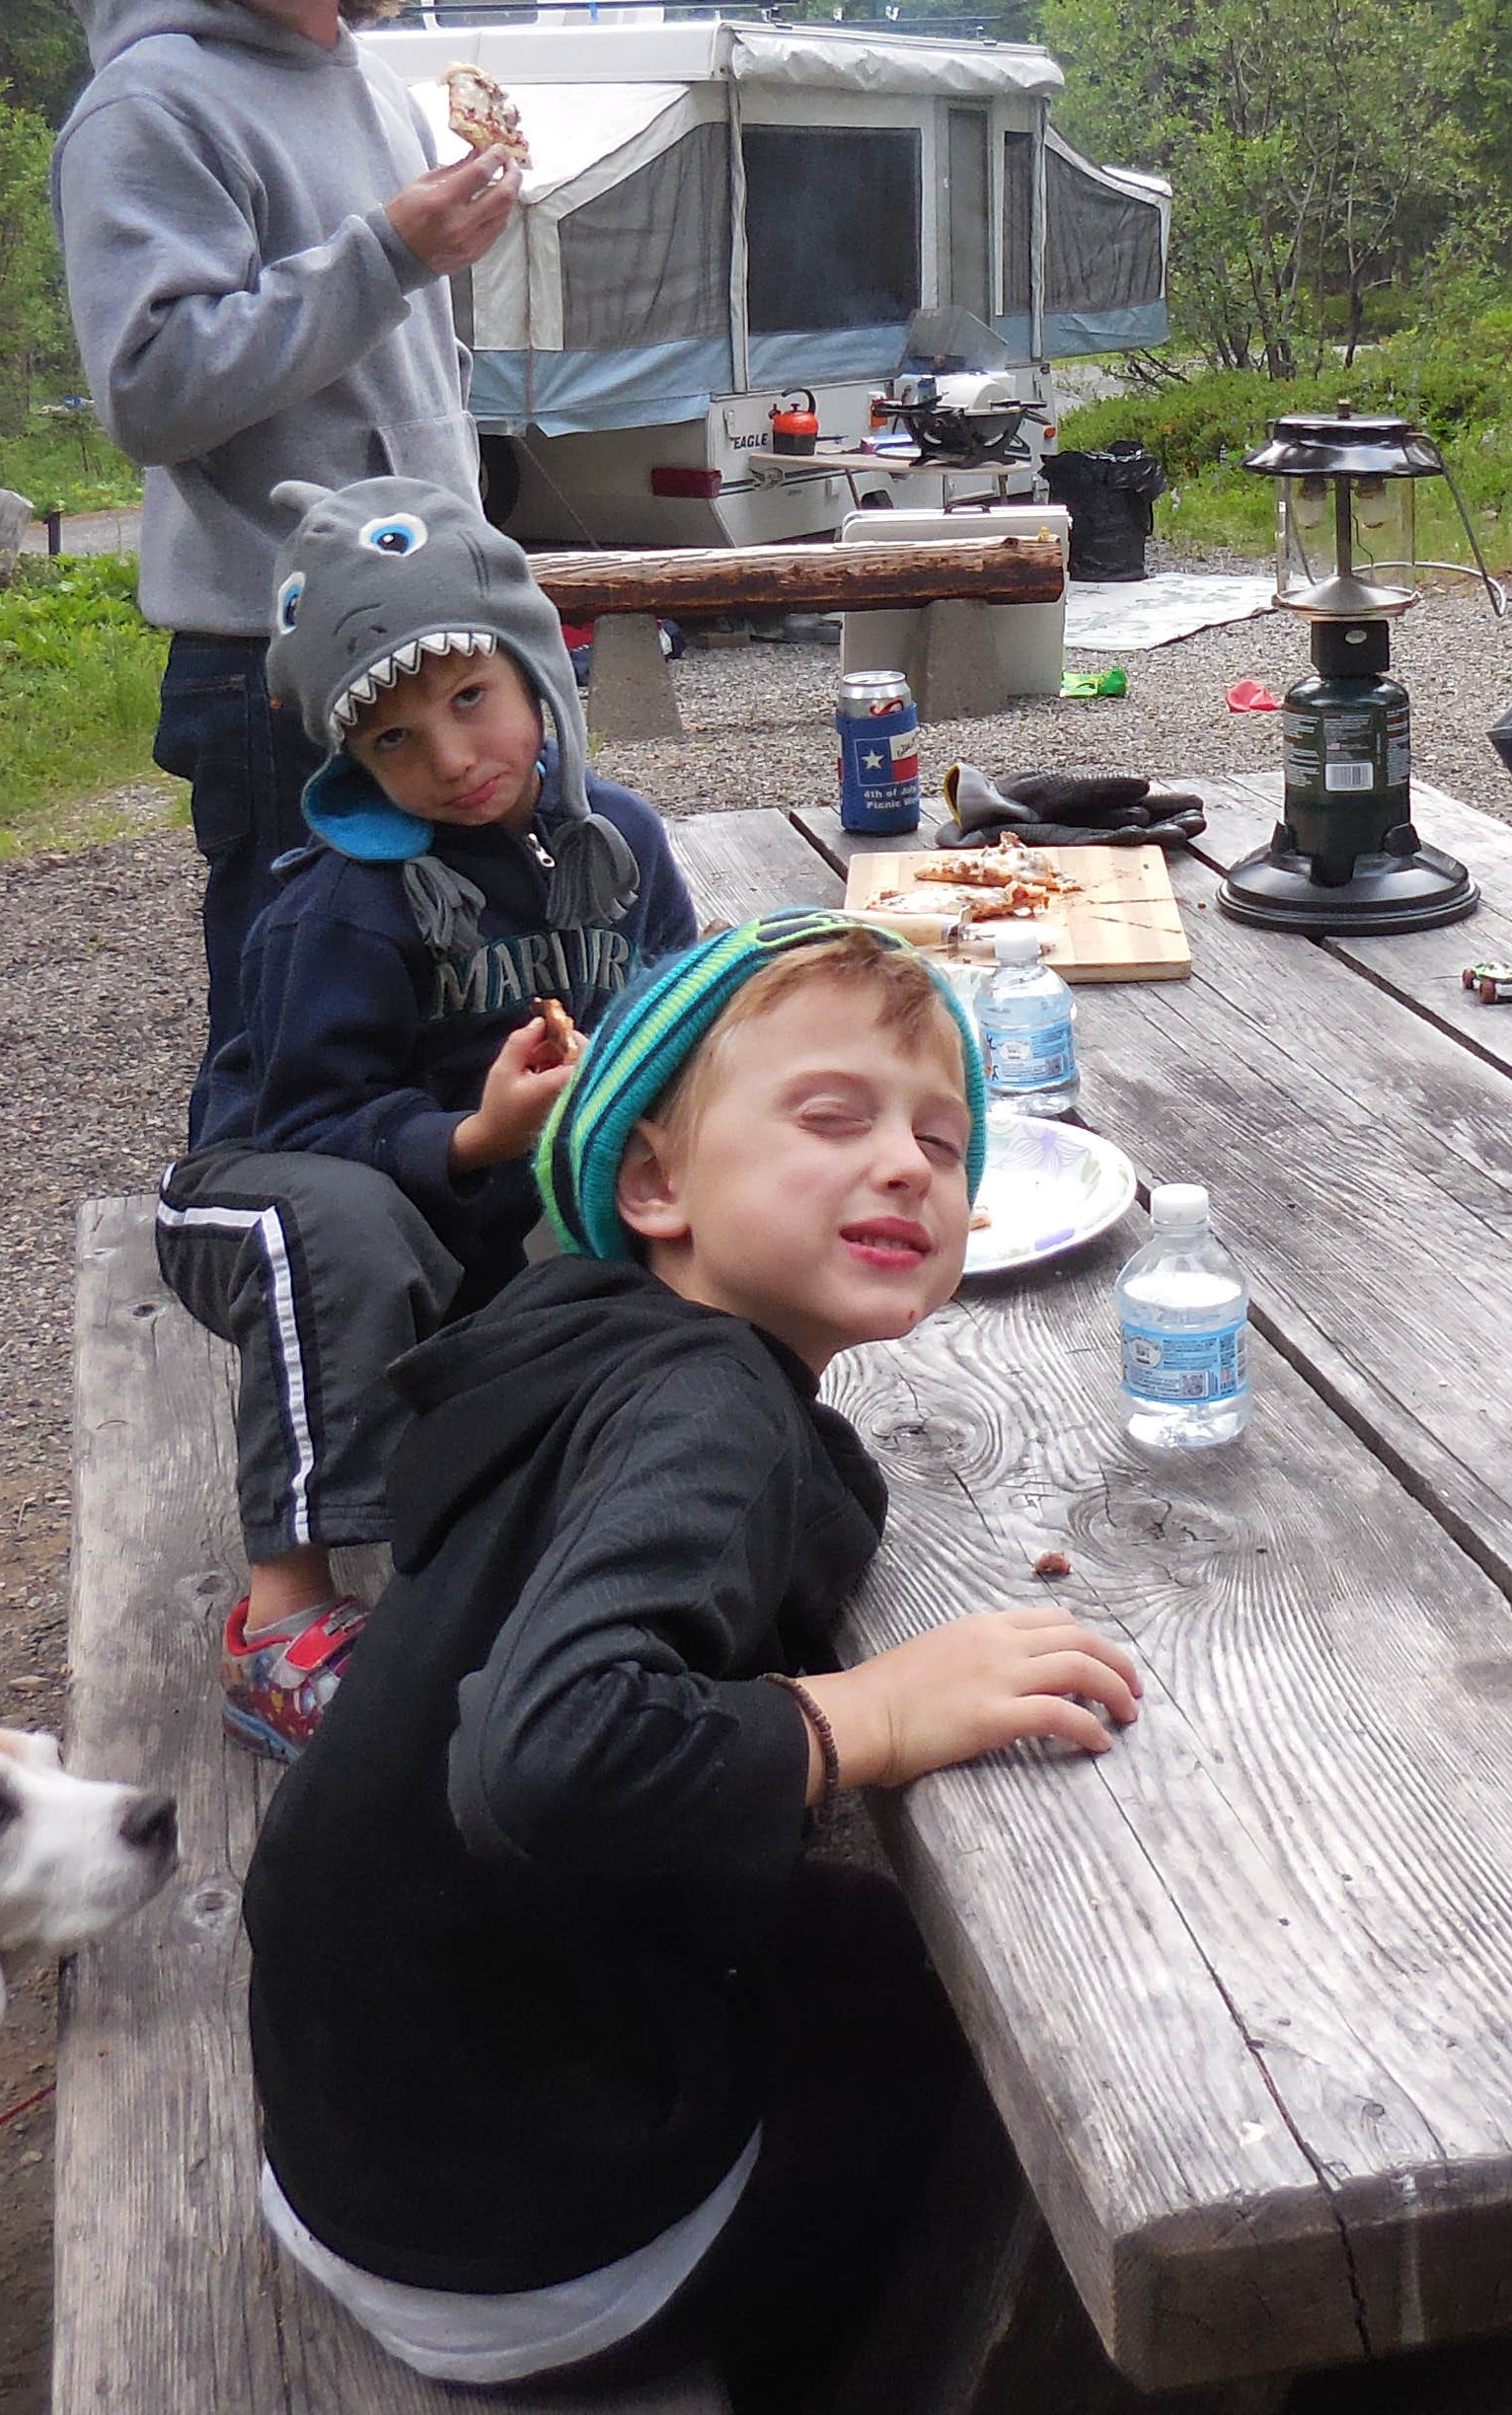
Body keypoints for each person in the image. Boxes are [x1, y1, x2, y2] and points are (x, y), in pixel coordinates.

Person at [245, 916, 1145, 2403]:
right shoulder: (708, 1412)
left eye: (942, 1138)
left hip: (355, 2143)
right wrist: (864, 1709)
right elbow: (555, 1752)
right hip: (527, 2247)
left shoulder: (577, 1332)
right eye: (832, 1118)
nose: (909, 1166)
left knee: (866, 1935)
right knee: (1021, 2083)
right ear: (653, 1181)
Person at [164, 471, 700, 1760]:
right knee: (347, 1230)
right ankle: (282, 1623)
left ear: (536, 674)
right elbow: (312, 1116)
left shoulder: (617, 844)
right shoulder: (340, 904)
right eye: (396, 740)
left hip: (464, 1201)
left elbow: (687, 1014)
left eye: (470, 700)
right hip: (270, 1181)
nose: (452, 759)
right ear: (348, 759)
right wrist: (472, 1138)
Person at [53, 0, 521, 1151]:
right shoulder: (151, 106)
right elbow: (149, 383)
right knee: (294, 1066)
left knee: (454, 1033)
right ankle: (266, 1331)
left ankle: (438, 1336)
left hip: (442, 652)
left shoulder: (374, 85)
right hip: (286, 682)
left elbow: (389, 367)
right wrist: (384, 251)